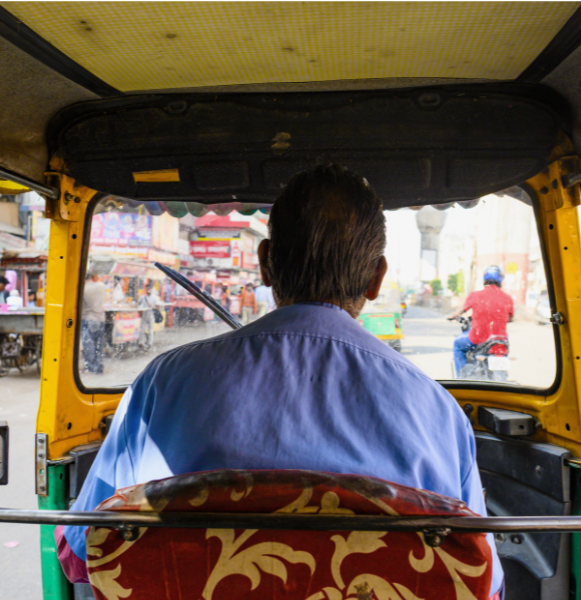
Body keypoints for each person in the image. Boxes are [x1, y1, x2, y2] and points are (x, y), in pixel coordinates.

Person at [58, 163, 503, 596]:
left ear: (265, 265)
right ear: (375, 278)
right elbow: (478, 578)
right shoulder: (436, 409)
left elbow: (81, 554)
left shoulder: (163, 383)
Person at [447, 266, 514, 376]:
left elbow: (461, 310)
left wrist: (453, 316)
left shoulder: (475, 295)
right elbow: (511, 317)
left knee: (457, 344)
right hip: (499, 340)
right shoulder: (508, 298)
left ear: (485, 279)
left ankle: (461, 378)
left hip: (478, 338)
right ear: (500, 279)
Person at [82, 272, 107, 374]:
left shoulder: (83, 288)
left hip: (88, 318)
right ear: (93, 277)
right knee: (99, 344)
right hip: (101, 318)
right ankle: (99, 365)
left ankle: (91, 366)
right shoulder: (102, 286)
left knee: (89, 344)